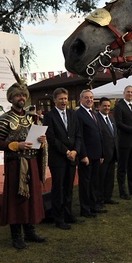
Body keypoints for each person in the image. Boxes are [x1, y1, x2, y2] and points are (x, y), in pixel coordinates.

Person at [0, 74, 48, 250]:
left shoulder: (32, 118)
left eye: (23, 95)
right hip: (15, 165)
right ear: (11, 98)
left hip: (31, 162)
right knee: (17, 200)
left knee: (31, 198)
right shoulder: (4, 120)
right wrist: (16, 145)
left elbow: (38, 141)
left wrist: (42, 139)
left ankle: (30, 231)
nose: (21, 98)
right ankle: (16, 236)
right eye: (17, 95)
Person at [43, 87, 83, 230]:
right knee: (58, 189)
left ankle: (68, 214)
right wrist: (66, 151)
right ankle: (58, 218)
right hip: (58, 159)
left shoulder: (73, 114)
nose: (63, 101)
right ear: (55, 100)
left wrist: (75, 151)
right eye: (60, 99)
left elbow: (78, 135)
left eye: (65, 98)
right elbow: (51, 138)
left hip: (72, 158)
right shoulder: (49, 116)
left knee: (68, 188)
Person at [75, 89, 105, 218]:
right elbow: (79, 136)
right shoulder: (78, 114)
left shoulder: (94, 113)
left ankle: (94, 206)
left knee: (94, 182)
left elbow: (99, 134)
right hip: (86, 156)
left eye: (91, 98)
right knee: (85, 184)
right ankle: (85, 209)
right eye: (86, 97)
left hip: (96, 155)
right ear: (81, 99)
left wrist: (101, 154)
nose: (89, 100)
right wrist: (83, 155)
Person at [113, 85, 132, 199]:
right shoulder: (119, 107)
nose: (130, 94)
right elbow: (119, 124)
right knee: (122, 168)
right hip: (124, 142)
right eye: (128, 92)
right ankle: (122, 191)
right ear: (124, 93)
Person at [97, 97, 119, 206]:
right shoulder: (96, 119)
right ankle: (100, 199)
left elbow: (114, 136)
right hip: (103, 154)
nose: (107, 108)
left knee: (110, 177)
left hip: (113, 153)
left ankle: (108, 197)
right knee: (101, 178)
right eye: (104, 106)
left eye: (108, 106)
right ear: (99, 107)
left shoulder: (111, 118)